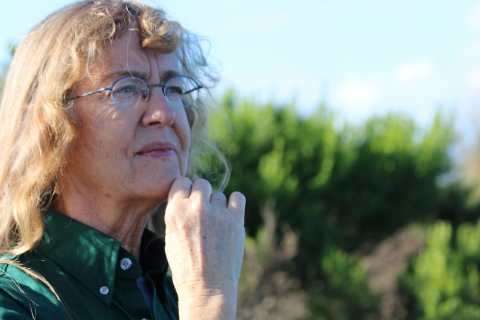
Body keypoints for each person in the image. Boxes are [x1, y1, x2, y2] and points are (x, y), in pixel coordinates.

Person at [0, 0, 246, 319]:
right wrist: (207, 302)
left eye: (173, 88)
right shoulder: (15, 301)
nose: (166, 113)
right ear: (50, 126)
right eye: (127, 88)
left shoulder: (173, 296)